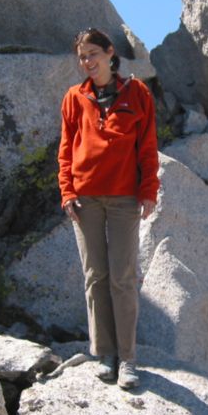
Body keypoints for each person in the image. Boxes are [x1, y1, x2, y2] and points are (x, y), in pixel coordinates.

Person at [58, 28, 159, 389]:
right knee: (95, 276)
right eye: (82, 57)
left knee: (123, 277)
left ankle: (128, 359)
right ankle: (104, 353)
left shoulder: (137, 93)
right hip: (85, 200)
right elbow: (66, 149)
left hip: (124, 200)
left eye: (93, 55)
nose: (87, 62)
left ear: (110, 53)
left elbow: (147, 146)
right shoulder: (74, 97)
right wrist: (67, 191)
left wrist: (149, 190)